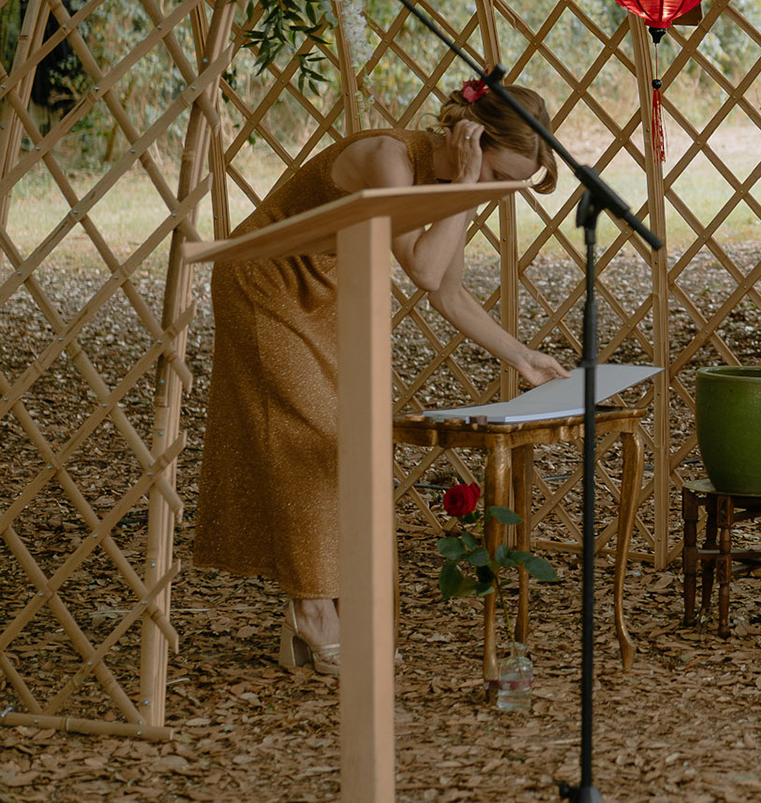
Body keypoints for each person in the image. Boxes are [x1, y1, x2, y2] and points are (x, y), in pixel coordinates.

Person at [193, 80, 571, 674]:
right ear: (471, 137)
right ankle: (312, 612)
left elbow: (449, 292)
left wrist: (522, 357)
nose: (499, 193)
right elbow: (423, 270)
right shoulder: (389, 159)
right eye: (499, 175)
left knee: (349, 443)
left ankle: (325, 610)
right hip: (265, 280)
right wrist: (465, 188)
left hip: (329, 287)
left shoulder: (458, 183)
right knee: (312, 437)